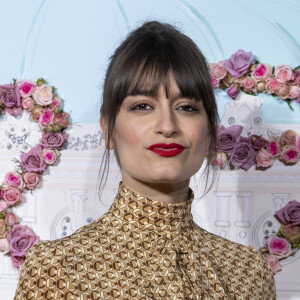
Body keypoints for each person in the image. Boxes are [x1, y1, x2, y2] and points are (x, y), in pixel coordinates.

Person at [14, 21, 276, 299]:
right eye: (142, 106)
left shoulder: (249, 273)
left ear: (210, 132)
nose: (167, 125)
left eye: (186, 107)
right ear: (108, 127)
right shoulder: (55, 271)